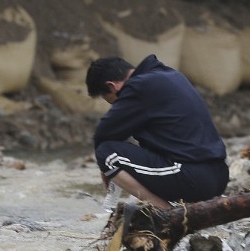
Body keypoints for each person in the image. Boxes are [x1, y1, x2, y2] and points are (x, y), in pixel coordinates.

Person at [85, 54, 229, 209]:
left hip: (192, 177)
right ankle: (176, 209)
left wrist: (105, 169)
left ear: (113, 86)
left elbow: (102, 134)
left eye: (113, 102)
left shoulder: (137, 87)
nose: (117, 107)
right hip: (219, 175)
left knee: (106, 153)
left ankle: (165, 213)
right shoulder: (170, 75)